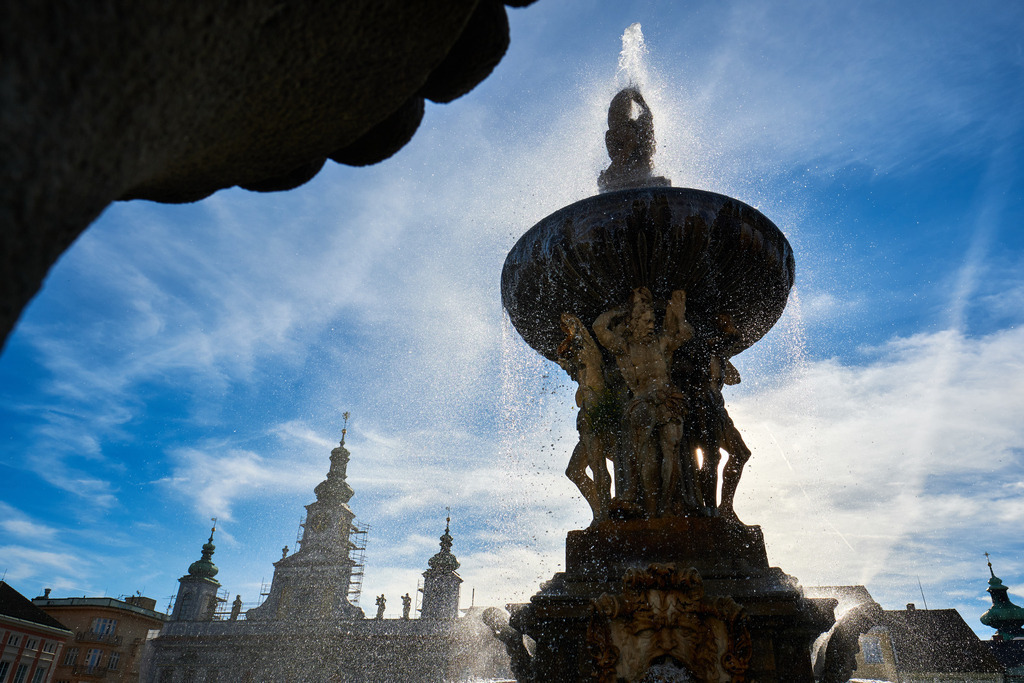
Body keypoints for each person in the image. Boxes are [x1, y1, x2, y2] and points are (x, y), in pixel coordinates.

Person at [593, 288, 696, 516]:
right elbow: (599, 328)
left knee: (673, 447)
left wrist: (679, 314)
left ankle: (669, 502)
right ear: (635, 322)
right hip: (642, 403)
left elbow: (686, 334)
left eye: (653, 321)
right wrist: (619, 311)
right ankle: (637, 497)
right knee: (645, 457)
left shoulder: (660, 344)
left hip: (669, 400)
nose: (651, 325)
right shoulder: (625, 348)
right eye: (647, 321)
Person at [557, 312, 615, 522]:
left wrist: (575, 328)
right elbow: (573, 368)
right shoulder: (581, 362)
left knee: (598, 466)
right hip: (588, 417)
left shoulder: (591, 355)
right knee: (574, 471)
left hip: (599, 415)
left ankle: (605, 516)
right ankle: (601, 511)